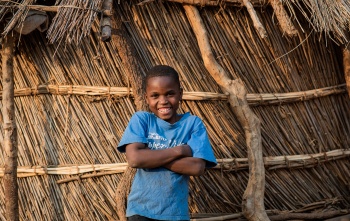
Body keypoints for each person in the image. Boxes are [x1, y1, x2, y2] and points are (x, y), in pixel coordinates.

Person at [117, 65, 217, 221]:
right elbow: (135, 159)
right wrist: (179, 151)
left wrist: (150, 156)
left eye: (170, 94)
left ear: (180, 94)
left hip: (176, 214)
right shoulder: (142, 120)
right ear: (146, 98)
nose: (163, 101)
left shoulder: (192, 124)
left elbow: (197, 167)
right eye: (155, 95)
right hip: (141, 211)